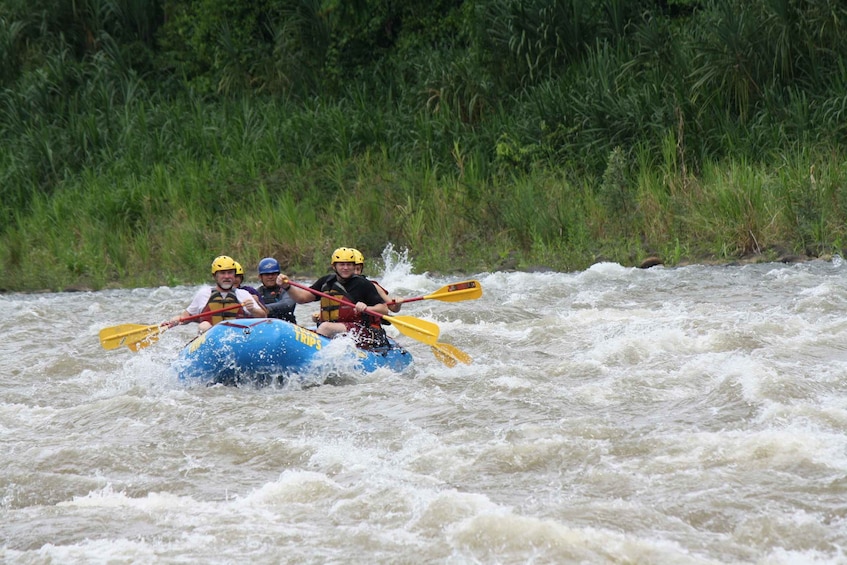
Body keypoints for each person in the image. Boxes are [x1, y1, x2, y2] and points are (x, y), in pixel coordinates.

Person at [278, 247, 390, 348]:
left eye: (349, 265)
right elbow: (302, 298)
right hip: (338, 330)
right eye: (341, 264)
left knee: (325, 327)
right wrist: (287, 287)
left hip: (362, 331)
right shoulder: (326, 282)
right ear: (334, 266)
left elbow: (384, 309)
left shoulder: (363, 284)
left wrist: (366, 308)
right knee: (320, 327)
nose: (345, 268)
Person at [170, 255, 266, 334]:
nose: (227, 276)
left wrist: (252, 309)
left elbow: (263, 316)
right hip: (211, 340)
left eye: (230, 273)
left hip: (238, 337)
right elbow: (186, 316)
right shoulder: (203, 294)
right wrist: (178, 319)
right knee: (204, 326)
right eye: (222, 273)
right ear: (215, 276)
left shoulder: (243, 294)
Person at [351, 248, 403, 313]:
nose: (355, 273)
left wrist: (398, 304)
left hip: (366, 320)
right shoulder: (337, 285)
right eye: (352, 269)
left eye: (358, 269)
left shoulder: (372, 286)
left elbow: (393, 308)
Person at [255, 256, 297, 324]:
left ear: (279, 275)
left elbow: (288, 304)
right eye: (267, 274)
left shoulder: (287, 290)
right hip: (264, 327)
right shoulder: (256, 293)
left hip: (286, 326)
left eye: (273, 274)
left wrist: (267, 309)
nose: (270, 277)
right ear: (260, 277)